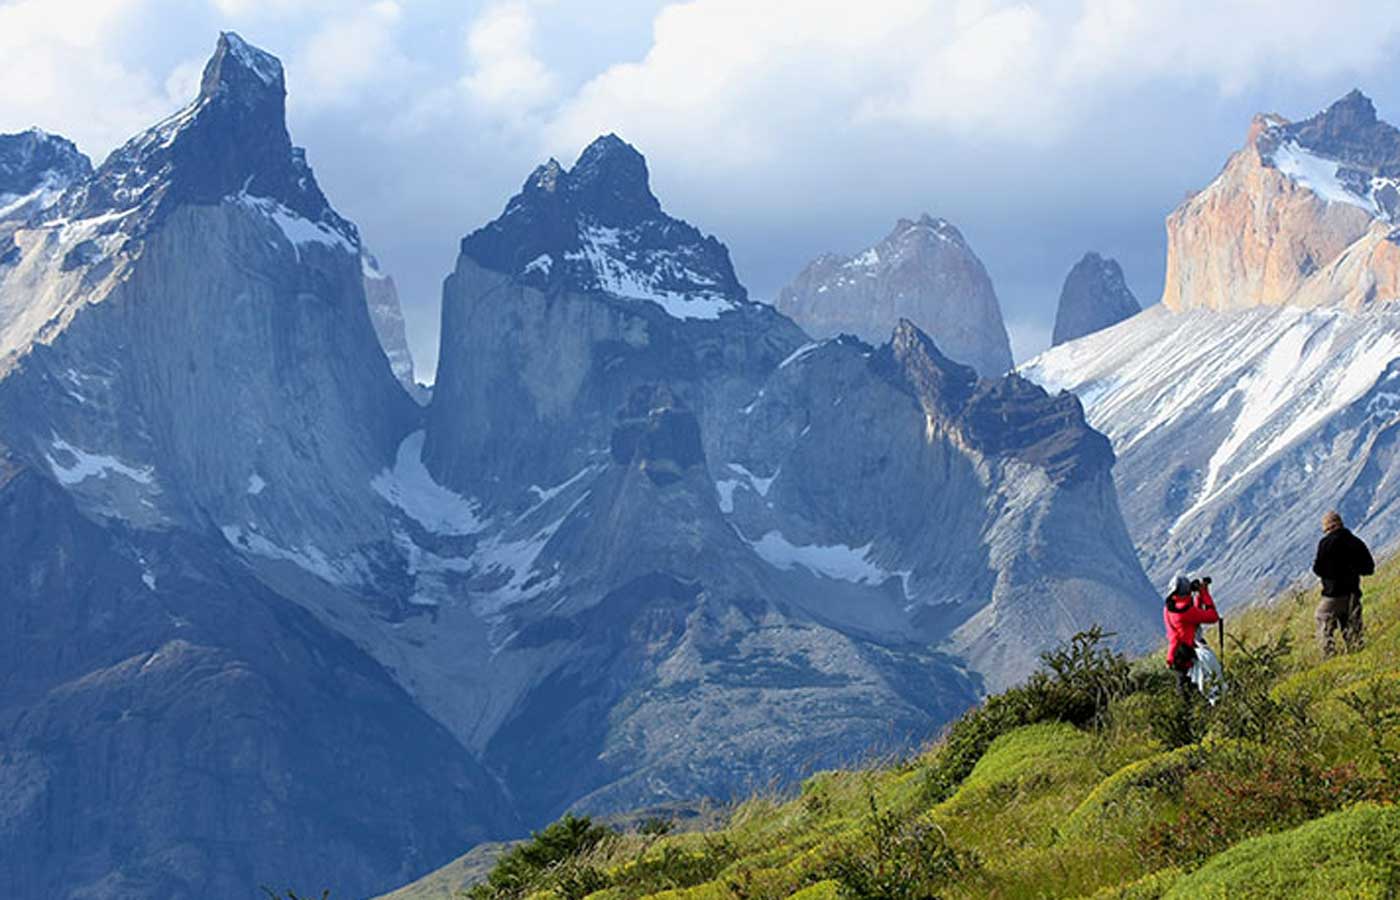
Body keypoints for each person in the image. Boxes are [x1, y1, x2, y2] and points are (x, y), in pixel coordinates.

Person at [1312, 510, 1374, 658]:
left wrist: (1332, 575)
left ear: (1327, 527)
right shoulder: (1356, 542)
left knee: (1322, 619)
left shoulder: (1326, 543)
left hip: (1333, 595)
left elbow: (1318, 568)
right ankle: (1357, 657)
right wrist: (1352, 569)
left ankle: (1329, 656)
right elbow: (1369, 569)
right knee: (1353, 630)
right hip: (1353, 593)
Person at [1163, 574, 1220, 696]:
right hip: (1188, 656)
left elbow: (1193, 619)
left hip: (1175, 655)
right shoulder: (1187, 612)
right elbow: (1213, 616)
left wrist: (1197, 597)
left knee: (1182, 689)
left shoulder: (1168, 609)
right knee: (1195, 691)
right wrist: (1204, 593)